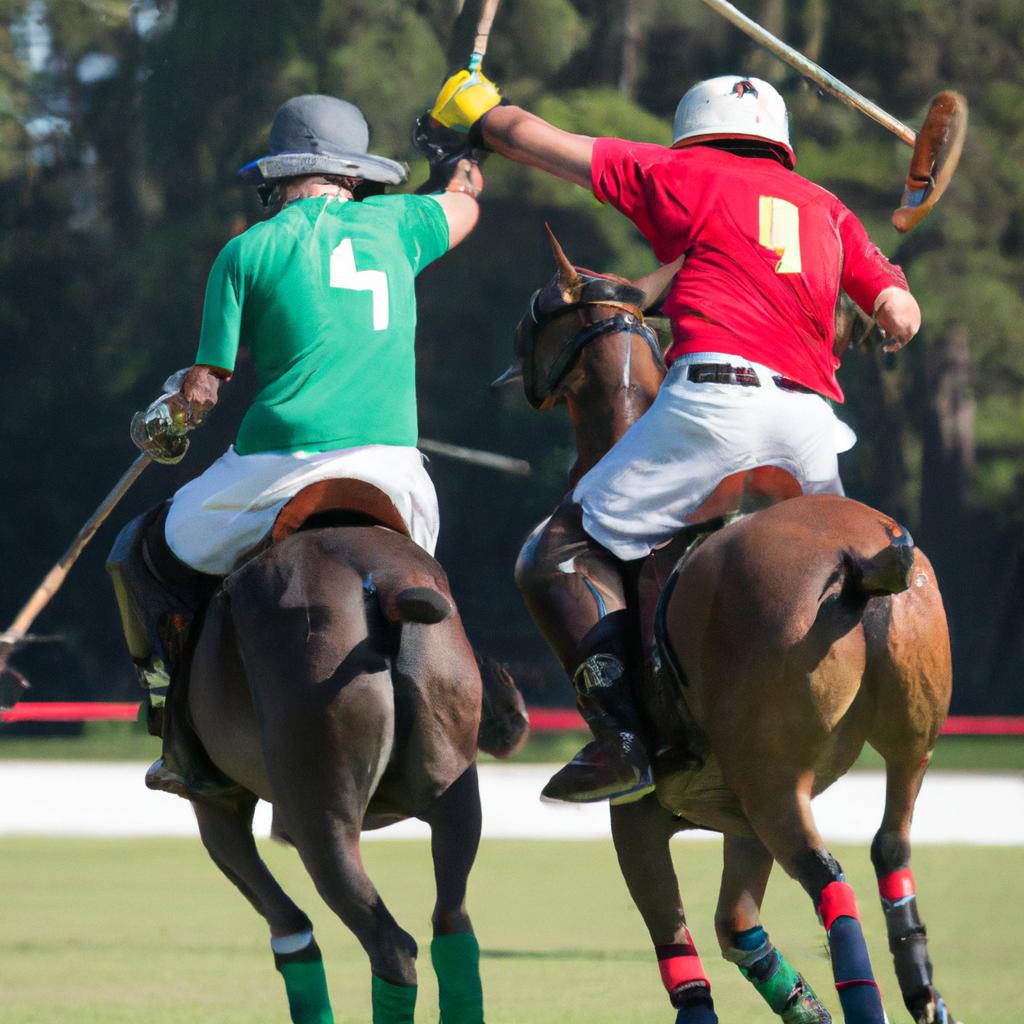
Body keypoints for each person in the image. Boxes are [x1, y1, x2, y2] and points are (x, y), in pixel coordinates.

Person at [425, 71, 921, 805]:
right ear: (778, 141)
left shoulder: (679, 172)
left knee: (558, 552)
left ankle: (623, 740)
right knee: (836, 562)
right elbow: (903, 315)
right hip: (812, 422)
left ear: (694, 130)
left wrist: (474, 107)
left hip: (715, 406)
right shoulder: (828, 208)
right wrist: (882, 318)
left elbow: (533, 141)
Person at [107, 93, 483, 799]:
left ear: (278, 178)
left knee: (142, 551)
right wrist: (461, 157)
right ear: (356, 174)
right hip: (396, 469)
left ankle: (171, 713)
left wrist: (167, 423)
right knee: (422, 573)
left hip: (280, 464)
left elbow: (205, 386)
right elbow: (464, 203)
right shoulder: (402, 223)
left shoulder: (248, 247)